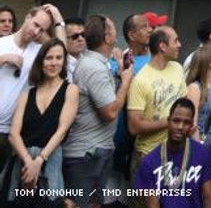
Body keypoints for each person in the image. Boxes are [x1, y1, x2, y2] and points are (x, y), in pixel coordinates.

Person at [63, 12, 133, 204]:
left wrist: (120, 73)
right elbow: (109, 112)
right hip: (87, 153)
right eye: (112, 28)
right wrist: (126, 81)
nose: (116, 32)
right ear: (107, 37)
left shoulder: (96, 63)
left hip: (96, 150)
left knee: (95, 203)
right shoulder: (94, 68)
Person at [5, 39, 77, 202]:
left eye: (58, 58)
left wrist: (39, 161)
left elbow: (62, 131)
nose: (54, 63)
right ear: (41, 62)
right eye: (49, 58)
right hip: (21, 162)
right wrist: (29, 163)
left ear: (64, 61)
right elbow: (13, 134)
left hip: (50, 160)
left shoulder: (71, 90)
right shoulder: (26, 95)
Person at [133, 98, 211, 208]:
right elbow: (152, 204)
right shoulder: (149, 162)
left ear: (191, 125)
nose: (180, 127)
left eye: (186, 123)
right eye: (176, 121)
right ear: (168, 121)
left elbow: (209, 197)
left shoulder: (203, 155)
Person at [127, 26, 187, 166]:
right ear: (162, 46)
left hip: (176, 153)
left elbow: (185, 102)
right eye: (175, 41)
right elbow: (134, 127)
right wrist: (170, 122)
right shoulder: (140, 80)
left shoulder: (177, 68)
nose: (179, 45)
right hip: (148, 155)